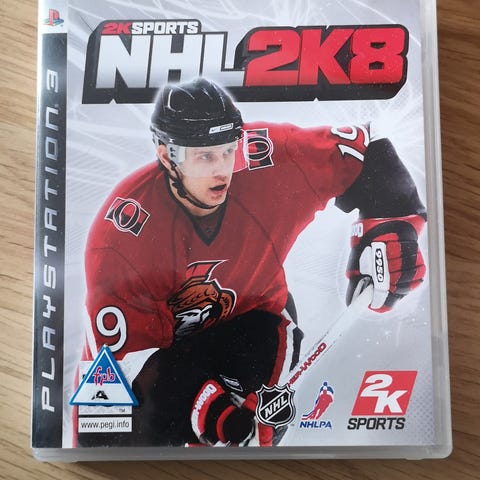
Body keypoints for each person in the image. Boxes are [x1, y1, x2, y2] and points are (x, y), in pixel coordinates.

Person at [79, 77, 426, 447]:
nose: (222, 170)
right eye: (204, 156)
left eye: (227, 150)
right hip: (156, 362)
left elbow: (369, 147)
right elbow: (121, 373)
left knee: (254, 436)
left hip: (254, 325)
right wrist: (209, 411)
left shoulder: (271, 157)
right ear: (167, 157)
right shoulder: (121, 239)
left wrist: (393, 228)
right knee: (115, 438)